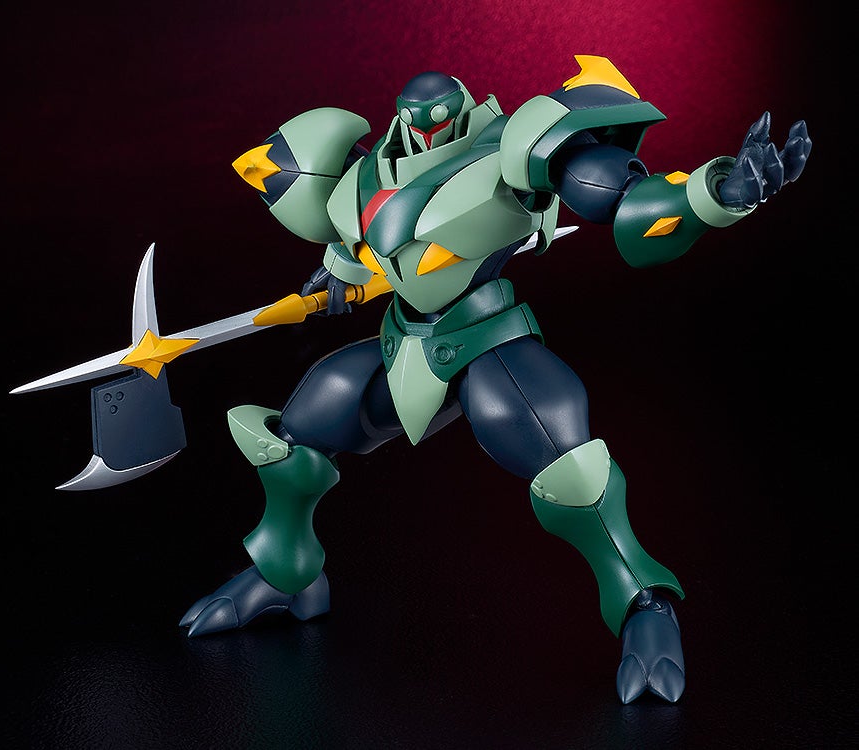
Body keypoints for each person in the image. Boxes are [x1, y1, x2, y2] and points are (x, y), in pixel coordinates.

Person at [178, 57, 811, 703]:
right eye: (415, 123)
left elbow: (621, 198)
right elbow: (350, 249)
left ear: (461, 110)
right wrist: (336, 277)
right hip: (404, 344)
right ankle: (287, 575)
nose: (426, 132)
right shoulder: (362, 176)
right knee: (298, 432)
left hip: (487, 339)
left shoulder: (514, 145)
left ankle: (645, 608)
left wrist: (714, 193)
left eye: (439, 121)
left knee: (570, 472)